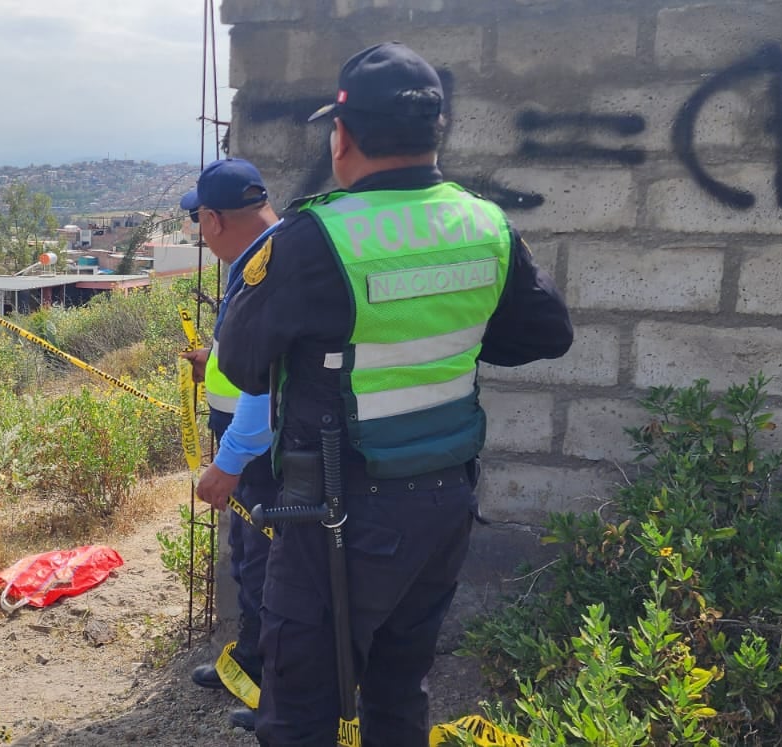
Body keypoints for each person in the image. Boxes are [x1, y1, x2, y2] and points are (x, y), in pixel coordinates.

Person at [216, 43, 573, 747]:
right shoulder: (484, 223)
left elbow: (244, 360)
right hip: (443, 504)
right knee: (399, 690)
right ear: (436, 134)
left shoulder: (316, 238)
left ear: (341, 137)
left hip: (337, 515)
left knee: (299, 712)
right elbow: (547, 332)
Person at [177, 159, 281, 732]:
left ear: (213, 219)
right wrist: (210, 360)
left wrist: (228, 462)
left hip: (256, 450)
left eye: (198, 222)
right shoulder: (260, 261)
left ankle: (273, 688)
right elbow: (251, 359)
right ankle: (249, 661)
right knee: (248, 555)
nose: (199, 234)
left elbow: (266, 388)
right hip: (244, 443)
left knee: (265, 562)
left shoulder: (268, 270)